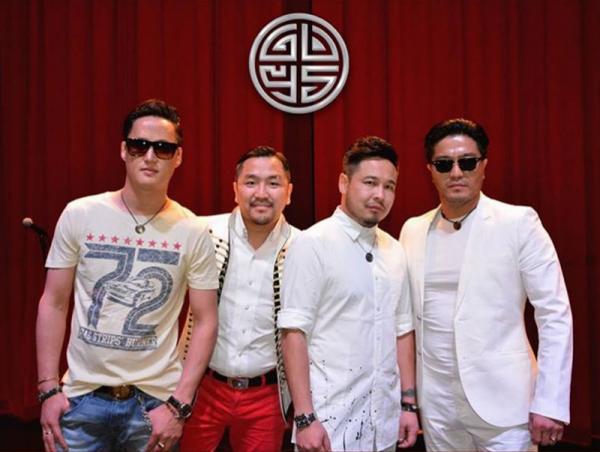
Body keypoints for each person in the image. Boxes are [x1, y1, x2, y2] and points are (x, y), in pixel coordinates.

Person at [35, 99, 219, 452]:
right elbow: (54, 302)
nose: (150, 156)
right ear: (124, 150)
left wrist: (179, 405)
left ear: (178, 157)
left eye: (163, 148)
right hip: (80, 398)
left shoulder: (193, 230)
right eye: (139, 145)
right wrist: (48, 389)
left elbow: (206, 320)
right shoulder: (80, 214)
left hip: (154, 403)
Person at [399, 118, 573, 451]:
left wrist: (549, 401)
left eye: (467, 162)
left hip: (505, 402)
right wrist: (408, 400)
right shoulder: (413, 230)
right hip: (436, 404)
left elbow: (554, 313)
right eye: (444, 164)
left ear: (484, 166)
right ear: (430, 170)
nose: (456, 172)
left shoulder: (519, 223)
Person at [279, 136, 419, 452]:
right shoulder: (312, 243)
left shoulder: (394, 250)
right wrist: (304, 418)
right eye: (370, 183)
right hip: (328, 426)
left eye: (389, 186)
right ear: (344, 182)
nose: (379, 194)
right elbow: (293, 333)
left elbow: (402, 330)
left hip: (384, 424)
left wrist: (408, 405)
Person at [179, 146, 298, 451]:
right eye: (251, 182)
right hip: (202, 386)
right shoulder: (202, 232)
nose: (261, 193)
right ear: (235, 190)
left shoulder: (304, 247)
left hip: (267, 394)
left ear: (288, 193)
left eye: (273, 183)